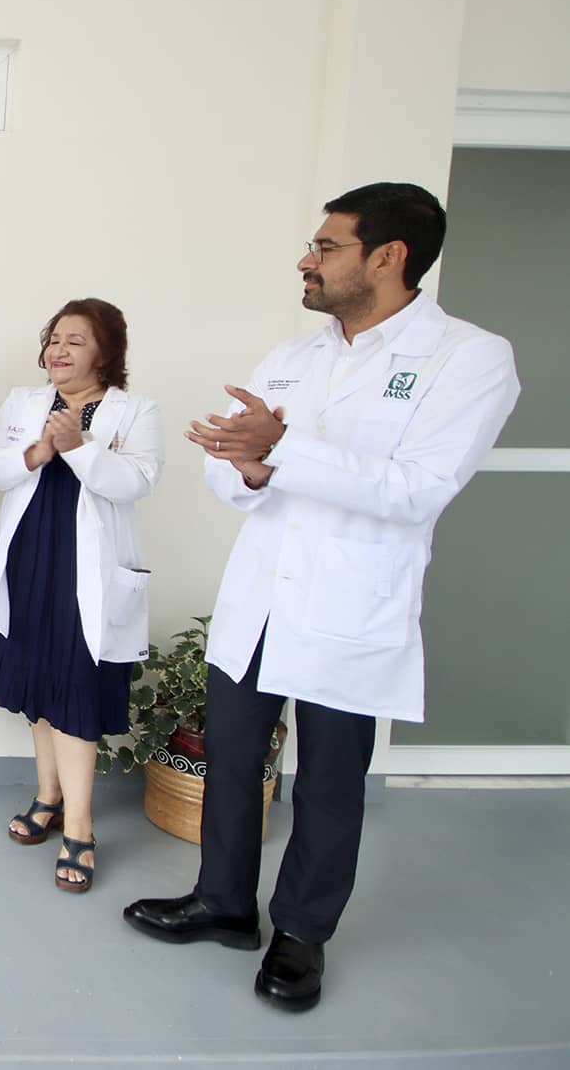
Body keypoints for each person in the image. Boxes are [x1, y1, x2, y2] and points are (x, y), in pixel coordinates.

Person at [123, 183, 521, 1011]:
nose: (307, 261)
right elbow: (233, 469)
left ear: (388, 256)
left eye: (325, 246)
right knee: (233, 758)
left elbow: (419, 488)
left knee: (329, 781)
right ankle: (224, 901)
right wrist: (253, 464)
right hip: (263, 597)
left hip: (350, 603)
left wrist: (285, 449)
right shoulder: (292, 357)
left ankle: (301, 933)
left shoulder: (469, 358)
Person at [0, 299, 162, 891]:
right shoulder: (25, 402)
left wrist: (78, 446)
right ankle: (48, 796)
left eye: (75, 341)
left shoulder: (136, 411)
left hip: (90, 571)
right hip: (29, 559)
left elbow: (137, 481)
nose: (58, 350)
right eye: (54, 339)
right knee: (37, 683)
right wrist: (38, 451)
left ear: (107, 352)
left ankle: (79, 828)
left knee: (75, 688)